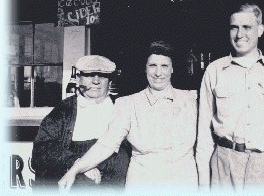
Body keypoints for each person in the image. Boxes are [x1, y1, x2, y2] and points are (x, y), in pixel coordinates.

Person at [58, 41, 198, 193]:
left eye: (164, 66)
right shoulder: (127, 103)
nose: (158, 73)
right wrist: (73, 171)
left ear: (172, 69)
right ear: (145, 69)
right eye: (152, 66)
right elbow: (107, 144)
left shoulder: (192, 100)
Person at [196, 4, 264, 193]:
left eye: (247, 27)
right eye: (234, 27)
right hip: (224, 165)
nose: (239, 34)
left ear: (260, 30)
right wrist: (204, 182)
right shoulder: (214, 70)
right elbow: (204, 132)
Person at [31, 55, 131, 192]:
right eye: (90, 75)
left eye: (102, 76)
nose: (96, 81)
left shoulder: (123, 106)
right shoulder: (64, 110)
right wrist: (75, 162)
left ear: (110, 80)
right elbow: (41, 149)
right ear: (79, 79)